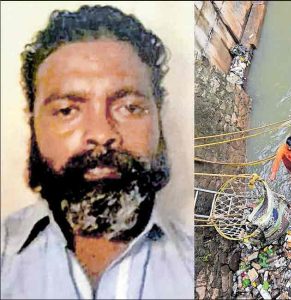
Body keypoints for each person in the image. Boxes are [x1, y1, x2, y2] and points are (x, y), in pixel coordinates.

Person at [0, 5, 194, 298]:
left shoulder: (192, 265)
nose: (102, 134)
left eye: (129, 107)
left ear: (158, 117)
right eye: (67, 110)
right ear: (33, 123)